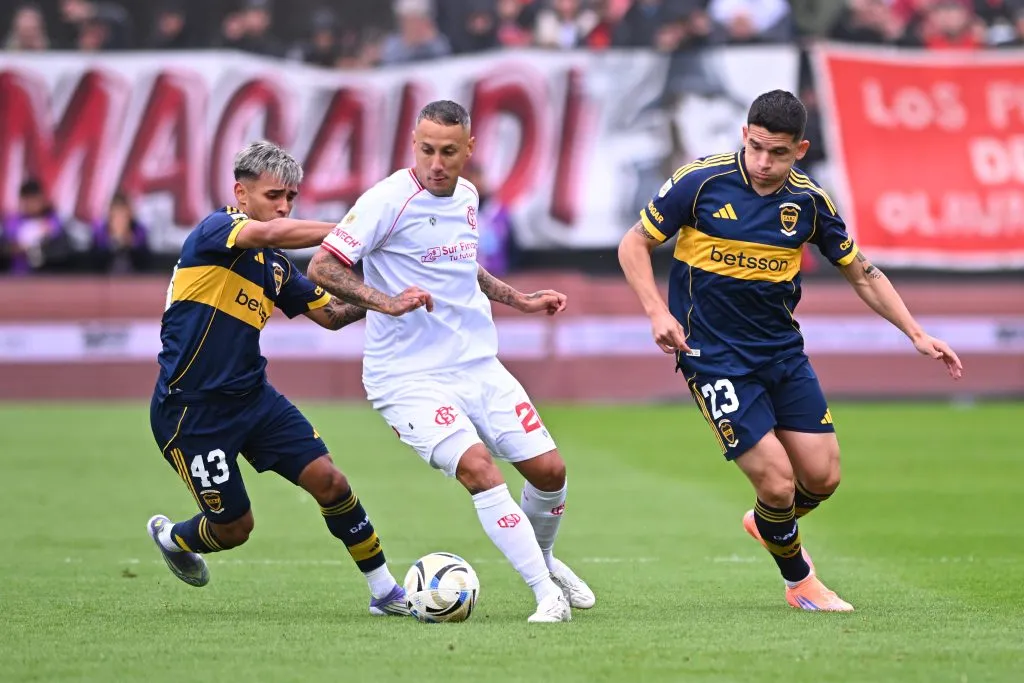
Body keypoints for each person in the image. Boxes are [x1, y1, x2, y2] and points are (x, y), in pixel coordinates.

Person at [617, 90, 963, 612]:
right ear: (744, 136)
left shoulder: (809, 203)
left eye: (777, 153)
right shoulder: (700, 183)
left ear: (799, 150)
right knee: (778, 482)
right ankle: (801, 582)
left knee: (822, 478)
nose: (763, 162)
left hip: (781, 353)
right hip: (712, 356)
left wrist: (914, 332)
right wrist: (656, 312)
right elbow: (633, 244)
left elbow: (861, 273)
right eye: (756, 148)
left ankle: (767, 523)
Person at [306, 100, 594, 624]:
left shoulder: (467, 195)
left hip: (477, 364)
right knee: (480, 469)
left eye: (448, 152)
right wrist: (386, 301)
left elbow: (464, 264)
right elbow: (322, 267)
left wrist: (520, 300)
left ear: (469, 150)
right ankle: (543, 594)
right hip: (407, 378)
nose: (436, 163)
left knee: (550, 471)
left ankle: (547, 563)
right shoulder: (386, 200)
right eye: (426, 150)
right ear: (413, 144)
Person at [146, 141, 411, 617]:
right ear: (240, 195)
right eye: (274, 195)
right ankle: (171, 536)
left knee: (330, 481)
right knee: (234, 529)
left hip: (254, 399)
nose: (284, 206)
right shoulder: (216, 230)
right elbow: (279, 232)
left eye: (291, 196)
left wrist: (388, 298)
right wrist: (359, 230)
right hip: (191, 412)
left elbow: (331, 315)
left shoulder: (275, 267)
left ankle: (385, 592)